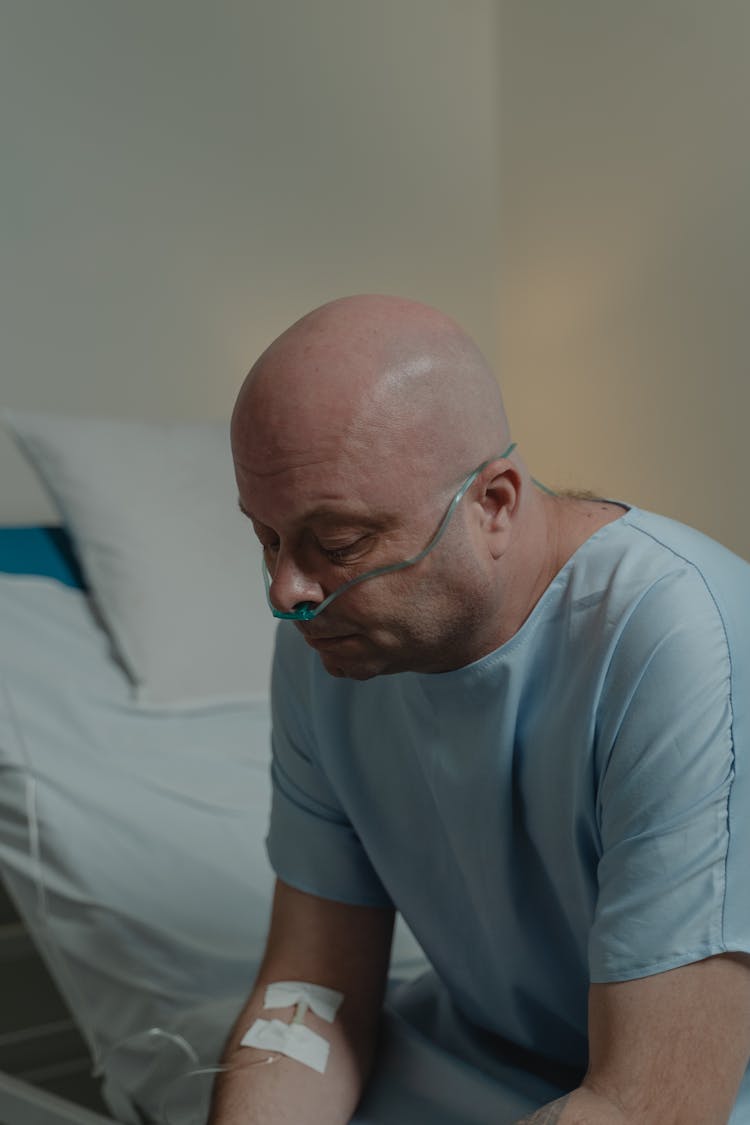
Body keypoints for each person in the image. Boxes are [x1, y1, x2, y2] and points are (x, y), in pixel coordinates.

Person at [211, 294, 750, 1124]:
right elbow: (311, 994)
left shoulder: (683, 644)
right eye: (268, 539)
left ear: (494, 501)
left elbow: (650, 1106)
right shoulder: (326, 637)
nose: (288, 592)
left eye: (341, 544)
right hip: (471, 1065)